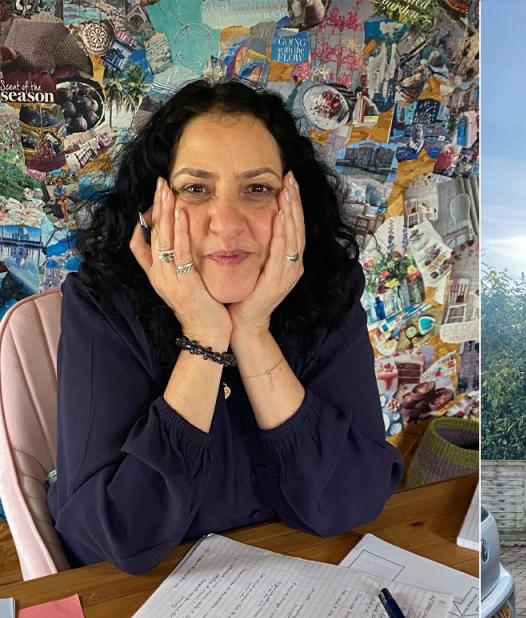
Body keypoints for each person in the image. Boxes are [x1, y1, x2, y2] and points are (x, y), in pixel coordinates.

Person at [48, 79, 403, 574]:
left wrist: (252, 332)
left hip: (300, 583)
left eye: (257, 189)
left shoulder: (330, 290)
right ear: (153, 208)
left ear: (292, 203)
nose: (228, 223)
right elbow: (112, 535)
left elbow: (352, 501)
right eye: (196, 189)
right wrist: (205, 337)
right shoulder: (102, 303)